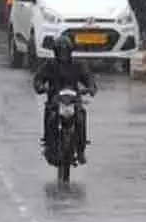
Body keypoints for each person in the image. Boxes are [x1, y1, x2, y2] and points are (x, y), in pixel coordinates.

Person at [32, 36, 97, 164]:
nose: (63, 55)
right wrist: (40, 87)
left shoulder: (79, 65)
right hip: (55, 100)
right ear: (55, 52)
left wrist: (91, 88)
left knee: (81, 118)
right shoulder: (49, 65)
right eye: (60, 51)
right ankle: (49, 144)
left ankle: (81, 149)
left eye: (65, 51)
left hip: (74, 100)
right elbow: (38, 79)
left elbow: (88, 78)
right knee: (50, 116)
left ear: (70, 51)